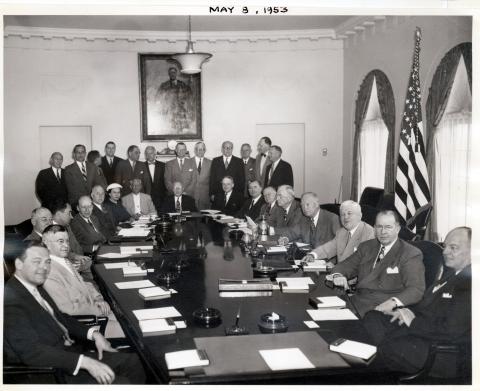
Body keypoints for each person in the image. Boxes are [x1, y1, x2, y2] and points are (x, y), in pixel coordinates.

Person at [3, 244, 145, 384]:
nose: (44, 268)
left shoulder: (33, 286)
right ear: (19, 264)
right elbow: (31, 352)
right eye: (36, 262)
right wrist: (85, 362)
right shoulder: (10, 301)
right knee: (120, 382)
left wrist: (94, 334)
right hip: (47, 372)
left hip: (67, 354)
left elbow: (60, 317)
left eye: (47, 262)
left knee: (133, 362)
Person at [362, 227, 472, 376]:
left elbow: (451, 330)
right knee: (373, 317)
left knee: (384, 349)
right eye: (445, 246)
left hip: (439, 352)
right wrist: (402, 311)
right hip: (421, 332)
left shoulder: (470, 283)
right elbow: (428, 305)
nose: (445, 252)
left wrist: (413, 321)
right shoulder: (452, 274)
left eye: (454, 248)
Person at [326, 210, 425, 317]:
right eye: (379, 227)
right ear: (374, 228)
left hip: (380, 310)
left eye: (388, 227)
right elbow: (344, 266)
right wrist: (338, 275)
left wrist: (393, 302)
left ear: (397, 229)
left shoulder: (410, 253)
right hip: (355, 302)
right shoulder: (367, 247)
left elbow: (416, 289)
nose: (383, 232)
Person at [42, 225, 124, 338]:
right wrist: (98, 309)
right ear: (46, 242)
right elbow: (67, 310)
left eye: (67, 241)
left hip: (96, 313)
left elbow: (85, 284)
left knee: (132, 319)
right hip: (86, 324)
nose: (66, 245)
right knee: (134, 331)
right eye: (60, 241)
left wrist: (98, 298)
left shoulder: (64, 261)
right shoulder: (48, 272)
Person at [303, 200, 375, 266]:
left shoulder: (369, 234)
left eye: (349, 213)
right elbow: (328, 248)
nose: (345, 217)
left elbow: (364, 265)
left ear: (359, 215)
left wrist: (336, 268)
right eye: (342, 215)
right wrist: (312, 255)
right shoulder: (341, 232)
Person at [51, 200, 93, 280]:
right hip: (68, 266)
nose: (72, 216)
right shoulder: (50, 232)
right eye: (69, 213)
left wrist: (80, 257)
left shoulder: (67, 226)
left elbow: (76, 246)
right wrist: (75, 259)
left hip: (80, 260)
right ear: (59, 214)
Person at [64, 144, 101, 209]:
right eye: (78, 152)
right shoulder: (68, 169)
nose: (80, 154)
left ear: (85, 153)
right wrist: (85, 200)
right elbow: (71, 190)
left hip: (93, 201)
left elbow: (97, 184)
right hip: (77, 203)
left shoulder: (93, 166)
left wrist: (93, 198)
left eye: (82, 152)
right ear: (74, 154)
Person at [142, 145, 167, 213]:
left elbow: (166, 181)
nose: (149, 155)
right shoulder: (141, 166)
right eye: (147, 153)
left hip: (160, 197)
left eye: (151, 153)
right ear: (145, 155)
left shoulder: (163, 165)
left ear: (155, 154)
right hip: (146, 197)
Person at [191, 141, 212, 210]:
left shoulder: (211, 163)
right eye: (199, 149)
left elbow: (213, 180)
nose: (201, 151)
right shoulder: (188, 162)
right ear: (195, 150)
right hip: (191, 196)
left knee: (205, 218)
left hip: (205, 197)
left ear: (205, 151)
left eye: (203, 149)